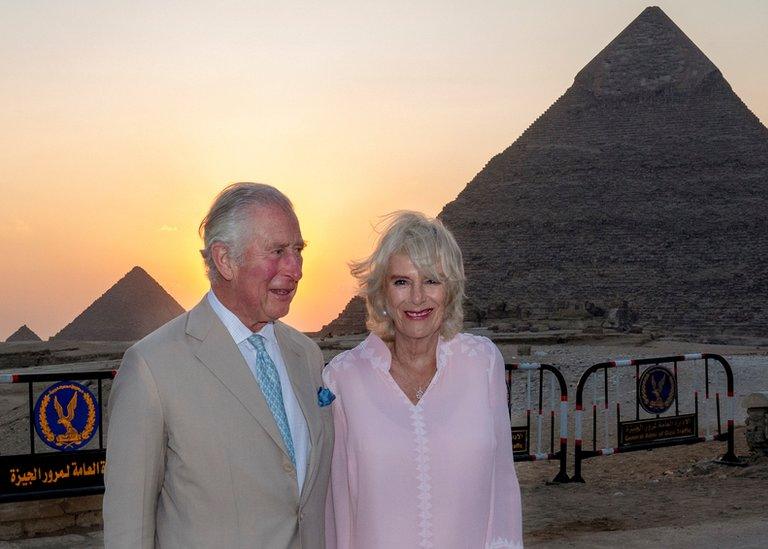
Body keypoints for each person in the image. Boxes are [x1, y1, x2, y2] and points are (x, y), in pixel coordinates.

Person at [103, 183, 334, 548]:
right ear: (225, 260)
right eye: (277, 251)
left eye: (298, 251)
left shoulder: (306, 356)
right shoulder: (151, 368)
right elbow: (128, 529)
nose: (295, 269)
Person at [323, 211, 523, 549]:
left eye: (431, 280)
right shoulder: (342, 379)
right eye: (401, 281)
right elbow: (338, 510)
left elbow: (502, 488)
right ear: (382, 294)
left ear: (451, 289)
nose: (417, 297)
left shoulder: (482, 364)